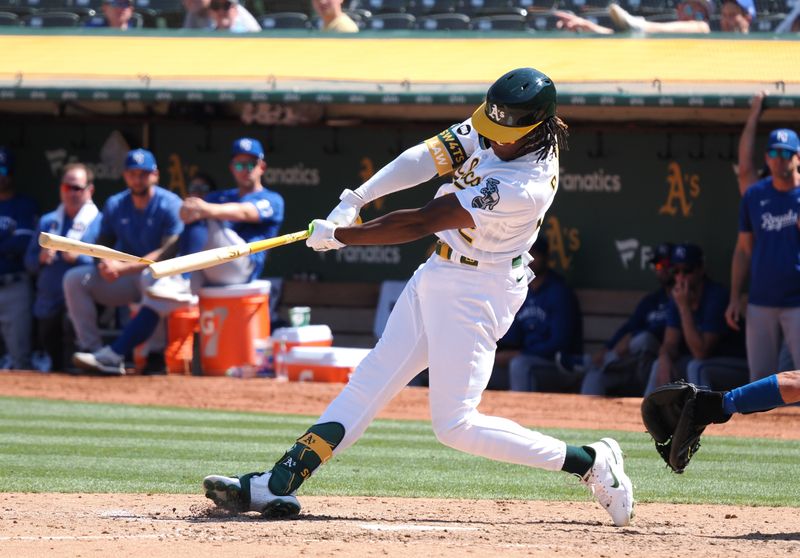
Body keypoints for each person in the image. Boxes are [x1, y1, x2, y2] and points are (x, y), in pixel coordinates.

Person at [202, 68, 634, 527]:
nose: (491, 139)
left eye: (503, 134)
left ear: (534, 130)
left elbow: (424, 219)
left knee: (455, 425)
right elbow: (428, 156)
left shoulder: (522, 185)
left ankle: (588, 461)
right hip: (440, 271)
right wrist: (357, 197)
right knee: (370, 378)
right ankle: (280, 481)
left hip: (477, 291)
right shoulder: (498, 127)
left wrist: (343, 236)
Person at [72, 138, 284, 375]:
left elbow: (246, 212)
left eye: (250, 164)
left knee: (202, 215)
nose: (245, 170)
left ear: (261, 167)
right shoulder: (222, 196)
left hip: (240, 267)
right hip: (207, 265)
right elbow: (189, 214)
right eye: (239, 164)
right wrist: (188, 208)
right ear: (231, 167)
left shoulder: (271, 198)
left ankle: (181, 279)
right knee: (155, 289)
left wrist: (203, 209)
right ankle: (114, 354)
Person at [64, 149, 184, 375]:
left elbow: (165, 254)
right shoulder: (116, 204)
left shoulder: (170, 204)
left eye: (143, 174)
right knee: (74, 279)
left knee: (153, 277)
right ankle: (95, 352)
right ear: (125, 175)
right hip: (125, 278)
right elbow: (102, 244)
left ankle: (155, 356)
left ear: (155, 175)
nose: (137, 179)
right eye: (132, 173)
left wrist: (121, 267)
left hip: (165, 280)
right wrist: (106, 263)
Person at [725, 128, 800, 381]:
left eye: (786, 153)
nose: (780, 159)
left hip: (797, 301)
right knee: (759, 378)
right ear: (767, 158)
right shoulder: (755, 195)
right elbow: (743, 250)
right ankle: (764, 423)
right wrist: (735, 297)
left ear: (797, 157)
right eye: (775, 153)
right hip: (761, 299)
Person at [24, 163, 102, 372]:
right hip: (48, 301)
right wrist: (40, 258)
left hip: (84, 301)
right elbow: (29, 263)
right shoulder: (48, 222)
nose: (72, 193)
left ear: (90, 190)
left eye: (77, 188)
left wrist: (80, 258)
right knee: (52, 356)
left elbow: (106, 265)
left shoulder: (99, 221)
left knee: (72, 348)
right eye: (67, 187)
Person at [646, 243, 747, 394]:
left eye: (687, 270)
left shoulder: (716, 296)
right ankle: (650, 416)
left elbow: (701, 352)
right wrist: (664, 357)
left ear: (700, 270)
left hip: (736, 365)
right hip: (705, 364)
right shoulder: (678, 297)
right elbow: (670, 343)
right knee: (660, 364)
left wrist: (685, 308)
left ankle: (701, 416)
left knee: (697, 366)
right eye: (676, 271)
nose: (680, 277)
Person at [579, 242, 673, 396]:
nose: (661, 269)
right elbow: (629, 326)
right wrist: (608, 348)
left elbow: (666, 332)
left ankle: (591, 363)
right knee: (595, 376)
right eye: (657, 265)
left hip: (660, 360)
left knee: (644, 338)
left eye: (664, 264)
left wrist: (632, 339)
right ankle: (585, 417)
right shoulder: (652, 300)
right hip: (634, 363)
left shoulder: (684, 300)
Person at [495, 236, 584, 393]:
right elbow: (512, 336)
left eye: (535, 254)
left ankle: (523, 414)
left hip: (559, 365)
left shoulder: (559, 292)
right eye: (526, 254)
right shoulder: (523, 290)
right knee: (484, 366)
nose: (530, 259)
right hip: (525, 359)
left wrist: (519, 354)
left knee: (519, 365)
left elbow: (559, 343)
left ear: (546, 258)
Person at [0, 146, 39, 370]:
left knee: (19, 359)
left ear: (11, 173)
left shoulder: (24, 205)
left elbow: (22, 244)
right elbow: (10, 243)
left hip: (14, 285)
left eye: (2, 169)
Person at [607, 0, 715, 34]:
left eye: (699, 15)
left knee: (702, 27)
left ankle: (639, 26)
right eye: (689, 9)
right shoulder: (666, 27)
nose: (691, 17)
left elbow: (703, 28)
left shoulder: (703, 27)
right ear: (679, 9)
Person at [182, 0, 261, 30]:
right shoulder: (193, 14)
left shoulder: (244, 22)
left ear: (235, 10)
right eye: (215, 6)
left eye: (226, 6)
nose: (221, 11)